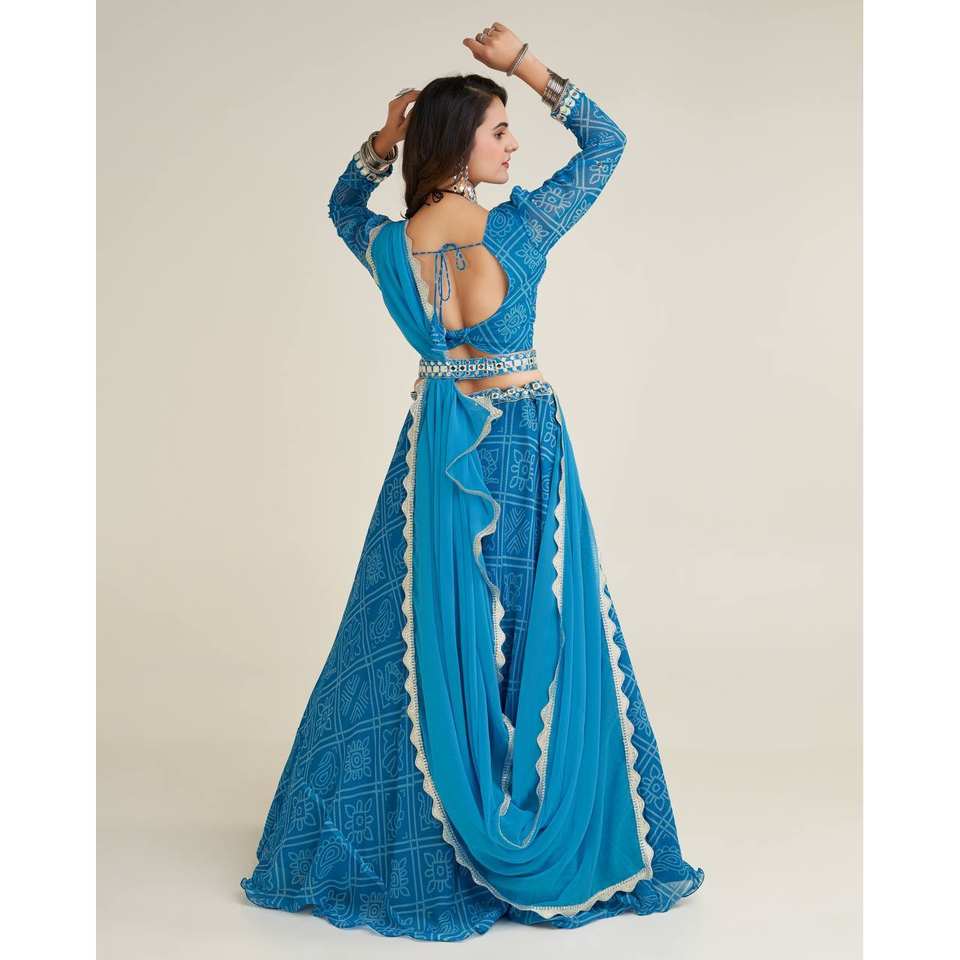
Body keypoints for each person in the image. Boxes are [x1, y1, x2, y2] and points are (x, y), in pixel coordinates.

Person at [240, 22, 705, 942]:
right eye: (499, 129)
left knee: (411, 631)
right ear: (461, 146)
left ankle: (425, 834)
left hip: (435, 455)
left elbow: (341, 204)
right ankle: (529, 823)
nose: (514, 143)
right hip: (522, 445)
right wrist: (524, 65)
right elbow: (607, 144)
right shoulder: (521, 231)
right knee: (542, 624)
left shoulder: (389, 247)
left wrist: (382, 142)